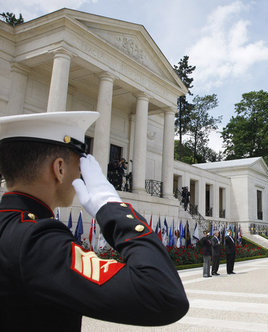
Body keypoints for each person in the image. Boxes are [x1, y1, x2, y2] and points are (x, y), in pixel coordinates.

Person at [0, 111, 189, 331]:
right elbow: (163, 295)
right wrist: (113, 209)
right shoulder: (35, 242)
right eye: (79, 166)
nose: (81, 174)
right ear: (59, 169)